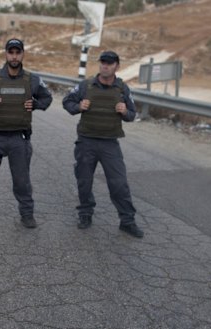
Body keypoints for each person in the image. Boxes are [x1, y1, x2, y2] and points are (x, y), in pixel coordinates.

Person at [0, 38, 53, 228]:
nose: (14, 56)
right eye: (11, 52)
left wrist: (37, 104)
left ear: (23, 54)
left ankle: (27, 215)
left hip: (19, 139)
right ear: (6, 54)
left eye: (18, 52)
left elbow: (47, 98)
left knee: (22, 182)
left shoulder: (32, 80)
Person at [62, 50, 144, 238]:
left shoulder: (122, 89)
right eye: (102, 62)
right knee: (84, 181)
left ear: (117, 66)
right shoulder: (86, 85)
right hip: (86, 142)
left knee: (119, 184)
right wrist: (78, 107)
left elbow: (132, 115)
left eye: (109, 63)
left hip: (110, 144)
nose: (105, 66)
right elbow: (67, 102)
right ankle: (85, 215)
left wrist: (124, 112)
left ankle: (127, 221)